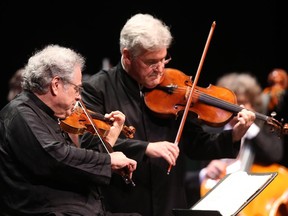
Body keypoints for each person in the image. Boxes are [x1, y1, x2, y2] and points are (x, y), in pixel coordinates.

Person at [81, 13, 256, 216]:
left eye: (164, 59)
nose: (160, 69)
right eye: (151, 62)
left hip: (169, 201)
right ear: (127, 55)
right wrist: (146, 148)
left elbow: (196, 144)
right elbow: (91, 143)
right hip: (123, 204)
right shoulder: (96, 88)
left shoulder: (174, 88)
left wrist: (234, 135)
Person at [0, 44, 140, 216]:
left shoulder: (52, 115)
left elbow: (77, 164)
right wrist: (108, 161)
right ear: (56, 84)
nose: (79, 96)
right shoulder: (20, 113)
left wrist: (111, 138)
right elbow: (55, 157)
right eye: (77, 88)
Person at [185, 72, 285, 208]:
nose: (238, 109)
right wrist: (204, 173)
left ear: (254, 106)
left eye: (244, 103)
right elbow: (182, 178)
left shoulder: (264, 132)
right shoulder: (206, 133)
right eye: (232, 103)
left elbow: (275, 154)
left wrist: (250, 128)